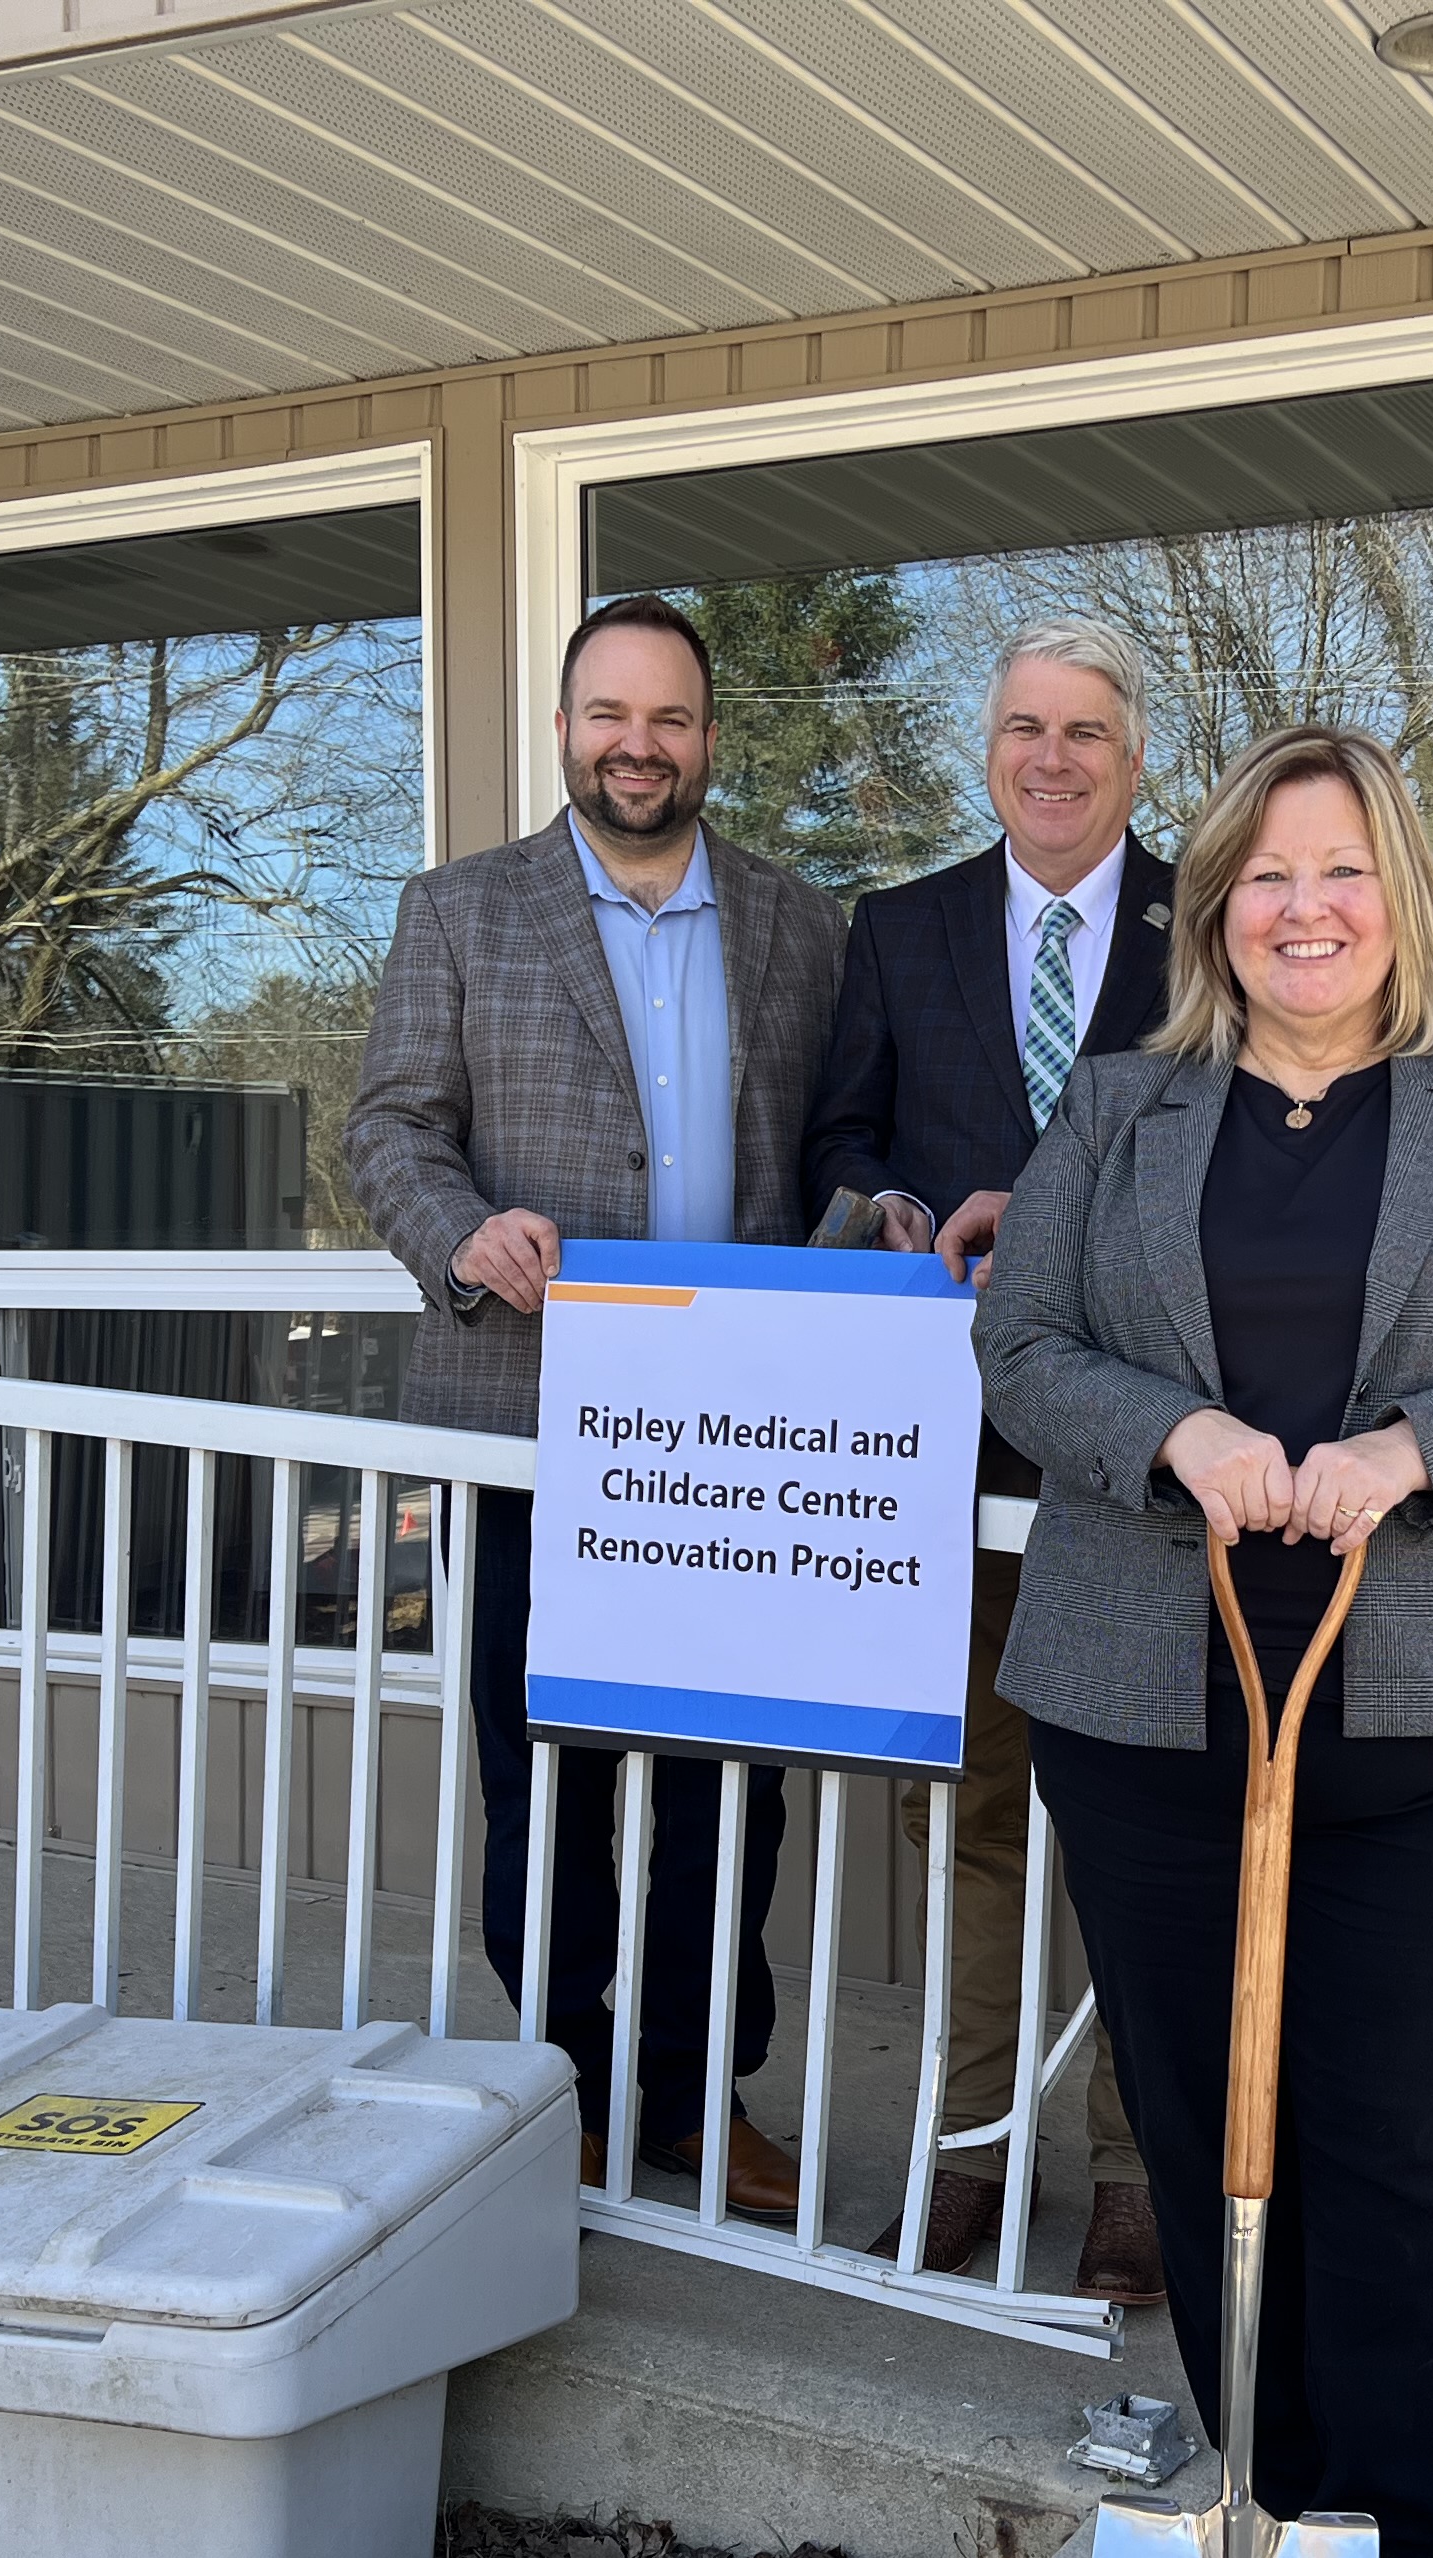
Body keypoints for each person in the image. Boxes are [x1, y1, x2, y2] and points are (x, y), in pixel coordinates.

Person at [977, 723, 1433, 2558]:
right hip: (1150, 1706)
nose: (1305, 910)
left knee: (1410, 2141)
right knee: (1207, 2131)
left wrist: (1413, 1453)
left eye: (1345, 873)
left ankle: (1382, 2547)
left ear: (1404, 906)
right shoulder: (1115, 1108)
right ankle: (1256, 2492)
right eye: (1266, 878)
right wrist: (1164, 1432)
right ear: (1212, 912)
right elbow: (1022, 1344)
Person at [347, 592, 846, 2215]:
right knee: (542, 1772)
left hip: (735, 1441)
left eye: (673, 719)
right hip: (525, 1419)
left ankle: (703, 2101)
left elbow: (827, 1154)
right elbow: (391, 1132)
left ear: (710, 738)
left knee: (728, 1784)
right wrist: (464, 1240)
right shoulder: (459, 911)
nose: (640, 745)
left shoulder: (798, 925)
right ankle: (560, 2080)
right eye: (610, 715)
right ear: (567, 728)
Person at [802, 615, 1178, 2304]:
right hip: (951, 1458)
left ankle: (1131, 2176)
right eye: (1025, 725)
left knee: (1143, 1829)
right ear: (989, 748)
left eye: (1086, 731)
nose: (1052, 756)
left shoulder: (1212, 921)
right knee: (982, 1822)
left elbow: (1262, 1150)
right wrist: (877, 1206)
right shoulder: (902, 928)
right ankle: (966, 2162)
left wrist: (1068, 1225)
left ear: (1133, 755)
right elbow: (841, 1135)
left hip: (1151, 1457)